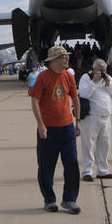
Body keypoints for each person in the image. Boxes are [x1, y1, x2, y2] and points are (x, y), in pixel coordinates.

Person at [29, 45, 81, 214]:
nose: (66, 59)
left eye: (67, 56)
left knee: (72, 163)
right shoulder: (43, 77)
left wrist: (77, 121)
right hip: (48, 129)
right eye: (63, 56)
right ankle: (49, 200)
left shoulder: (69, 76)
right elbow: (35, 102)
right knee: (46, 166)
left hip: (67, 128)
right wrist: (41, 125)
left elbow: (75, 98)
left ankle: (69, 199)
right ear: (54, 60)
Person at [78, 58, 112, 182]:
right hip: (91, 116)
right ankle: (87, 171)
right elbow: (84, 94)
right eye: (100, 70)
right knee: (89, 144)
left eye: (104, 70)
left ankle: (103, 170)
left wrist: (109, 83)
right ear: (94, 69)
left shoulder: (107, 78)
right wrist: (94, 81)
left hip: (105, 117)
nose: (102, 73)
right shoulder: (86, 78)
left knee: (104, 144)